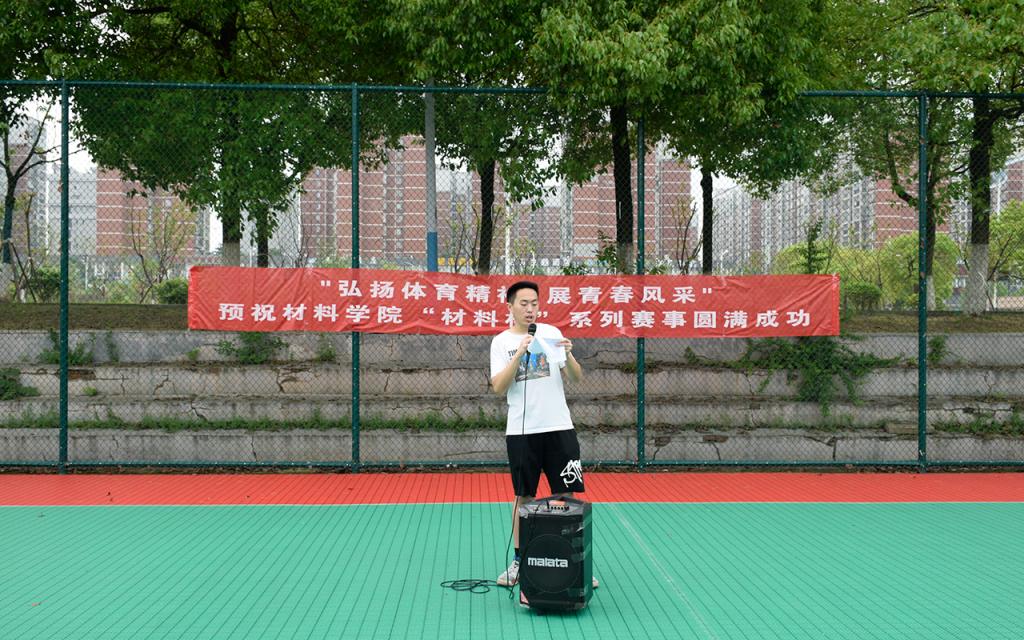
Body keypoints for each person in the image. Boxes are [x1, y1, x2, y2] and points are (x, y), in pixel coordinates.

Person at [489, 280, 597, 592]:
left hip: (559, 428)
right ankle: (519, 561)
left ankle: (575, 563)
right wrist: (519, 355)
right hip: (522, 432)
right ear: (510, 307)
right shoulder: (501, 342)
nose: (530, 309)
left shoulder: (551, 333)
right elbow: (499, 387)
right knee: (524, 496)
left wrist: (570, 356)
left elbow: (576, 377)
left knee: (567, 495)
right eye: (523, 303)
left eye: (534, 303)